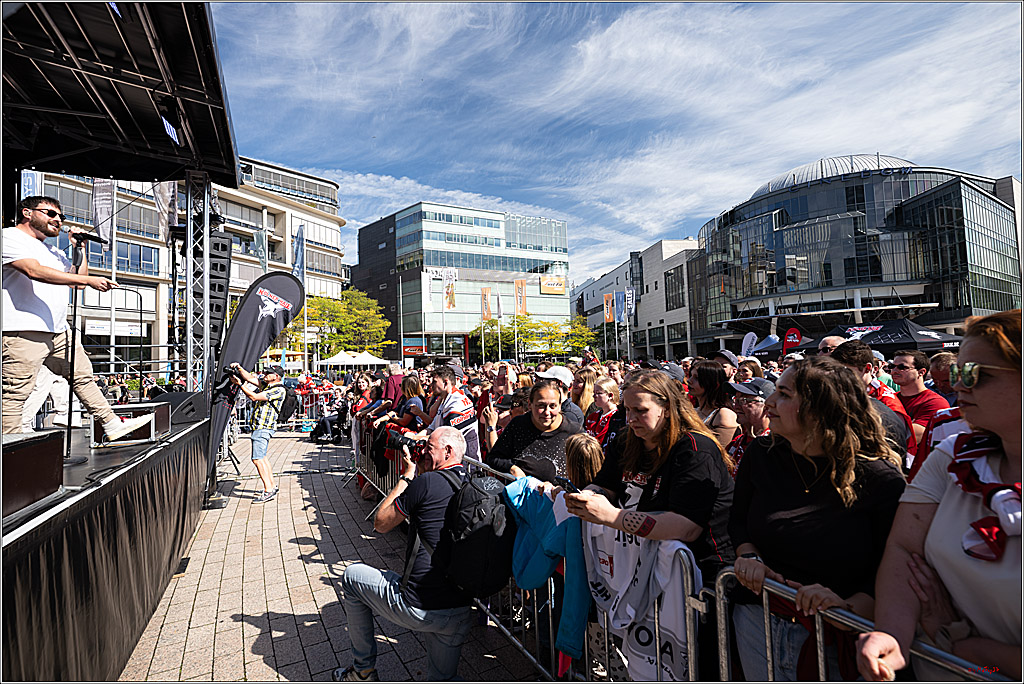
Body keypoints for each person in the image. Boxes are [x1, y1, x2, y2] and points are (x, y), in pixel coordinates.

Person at [857, 310, 1021, 682]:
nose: (959, 386)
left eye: (976, 374)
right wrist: (892, 636)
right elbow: (903, 551)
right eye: (957, 373)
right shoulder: (953, 456)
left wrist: (967, 649)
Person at [730, 356, 905, 681]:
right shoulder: (761, 455)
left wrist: (848, 608)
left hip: (838, 638)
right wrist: (748, 555)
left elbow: (893, 567)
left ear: (819, 409)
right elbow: (739, 521)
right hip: (757, 621)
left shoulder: (881, 481)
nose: (770, 401)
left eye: (784, 394)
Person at [2, 195, 152, 439]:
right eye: (50, 214)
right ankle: (7, 454)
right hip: (23, 329)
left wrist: (79, 247)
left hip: (58, 330)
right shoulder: (9, 237)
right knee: (15, 394)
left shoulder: (51, 250)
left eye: (61, 217)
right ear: (27, 213)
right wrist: (88, 280)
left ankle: (111, 424)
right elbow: (34, 271)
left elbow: (77, 280)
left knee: (82, 376)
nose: (58, 220)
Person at [335, 427, 475, 682]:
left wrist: (408, 476)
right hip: (460, 609)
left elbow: (381, 523)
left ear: (448, 451)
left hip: (419, 605)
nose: (423, 452)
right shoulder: (473, 485)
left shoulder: (426, 482)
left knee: (352, 577)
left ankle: (362, 671)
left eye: (428, 448)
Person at [831, 339, 917, 464]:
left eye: (846, 372)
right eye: (835, 371)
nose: (838, 377)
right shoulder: (858, 393)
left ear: (867, 368)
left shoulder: (887, 403)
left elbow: (891, 454)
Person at [486, 378, 582, 482]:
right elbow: (494, 457)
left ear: (560, 406)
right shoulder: (518, 425)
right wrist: (512, 468)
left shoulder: (574, 432)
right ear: (530, 404)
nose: (547, 412)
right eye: (541, 405)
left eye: (553, 406)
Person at [229, 363, 286, 503]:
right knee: (263, 458)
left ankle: (268, 490)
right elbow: (250, 378)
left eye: (268, 373)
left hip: (263, 427)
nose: (265, 375)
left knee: (257, 459)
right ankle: (272, 485)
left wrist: (239, 385)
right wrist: (240, 368)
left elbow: (254, 397)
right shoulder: (268, 385)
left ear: (276, 377)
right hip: (260, 427)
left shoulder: (278, 390)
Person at [891, 349, 949, 447]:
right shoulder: (891, 398)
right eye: (892, 366)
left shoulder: (935, 402)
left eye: (902, 367)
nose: (895, 371)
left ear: (921, 372)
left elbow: (911, 437)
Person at [724, 377, 774, 477]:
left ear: (766, 406)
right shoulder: (736, 442)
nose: (736, 406)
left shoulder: (774, 444)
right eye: (736, 400)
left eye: (743, 400)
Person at [688, 359, 740, 448]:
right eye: (691, 376)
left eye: (696, 378)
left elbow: (721, 453)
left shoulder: (724, 415)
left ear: (715, 384)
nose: (689, 380)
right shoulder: (694, 410)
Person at [584, 376, 626, 449]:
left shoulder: (618, 417)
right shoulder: (593, 416)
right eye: (594, 392)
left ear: (610, 395)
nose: (594, 396)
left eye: (598, 393)